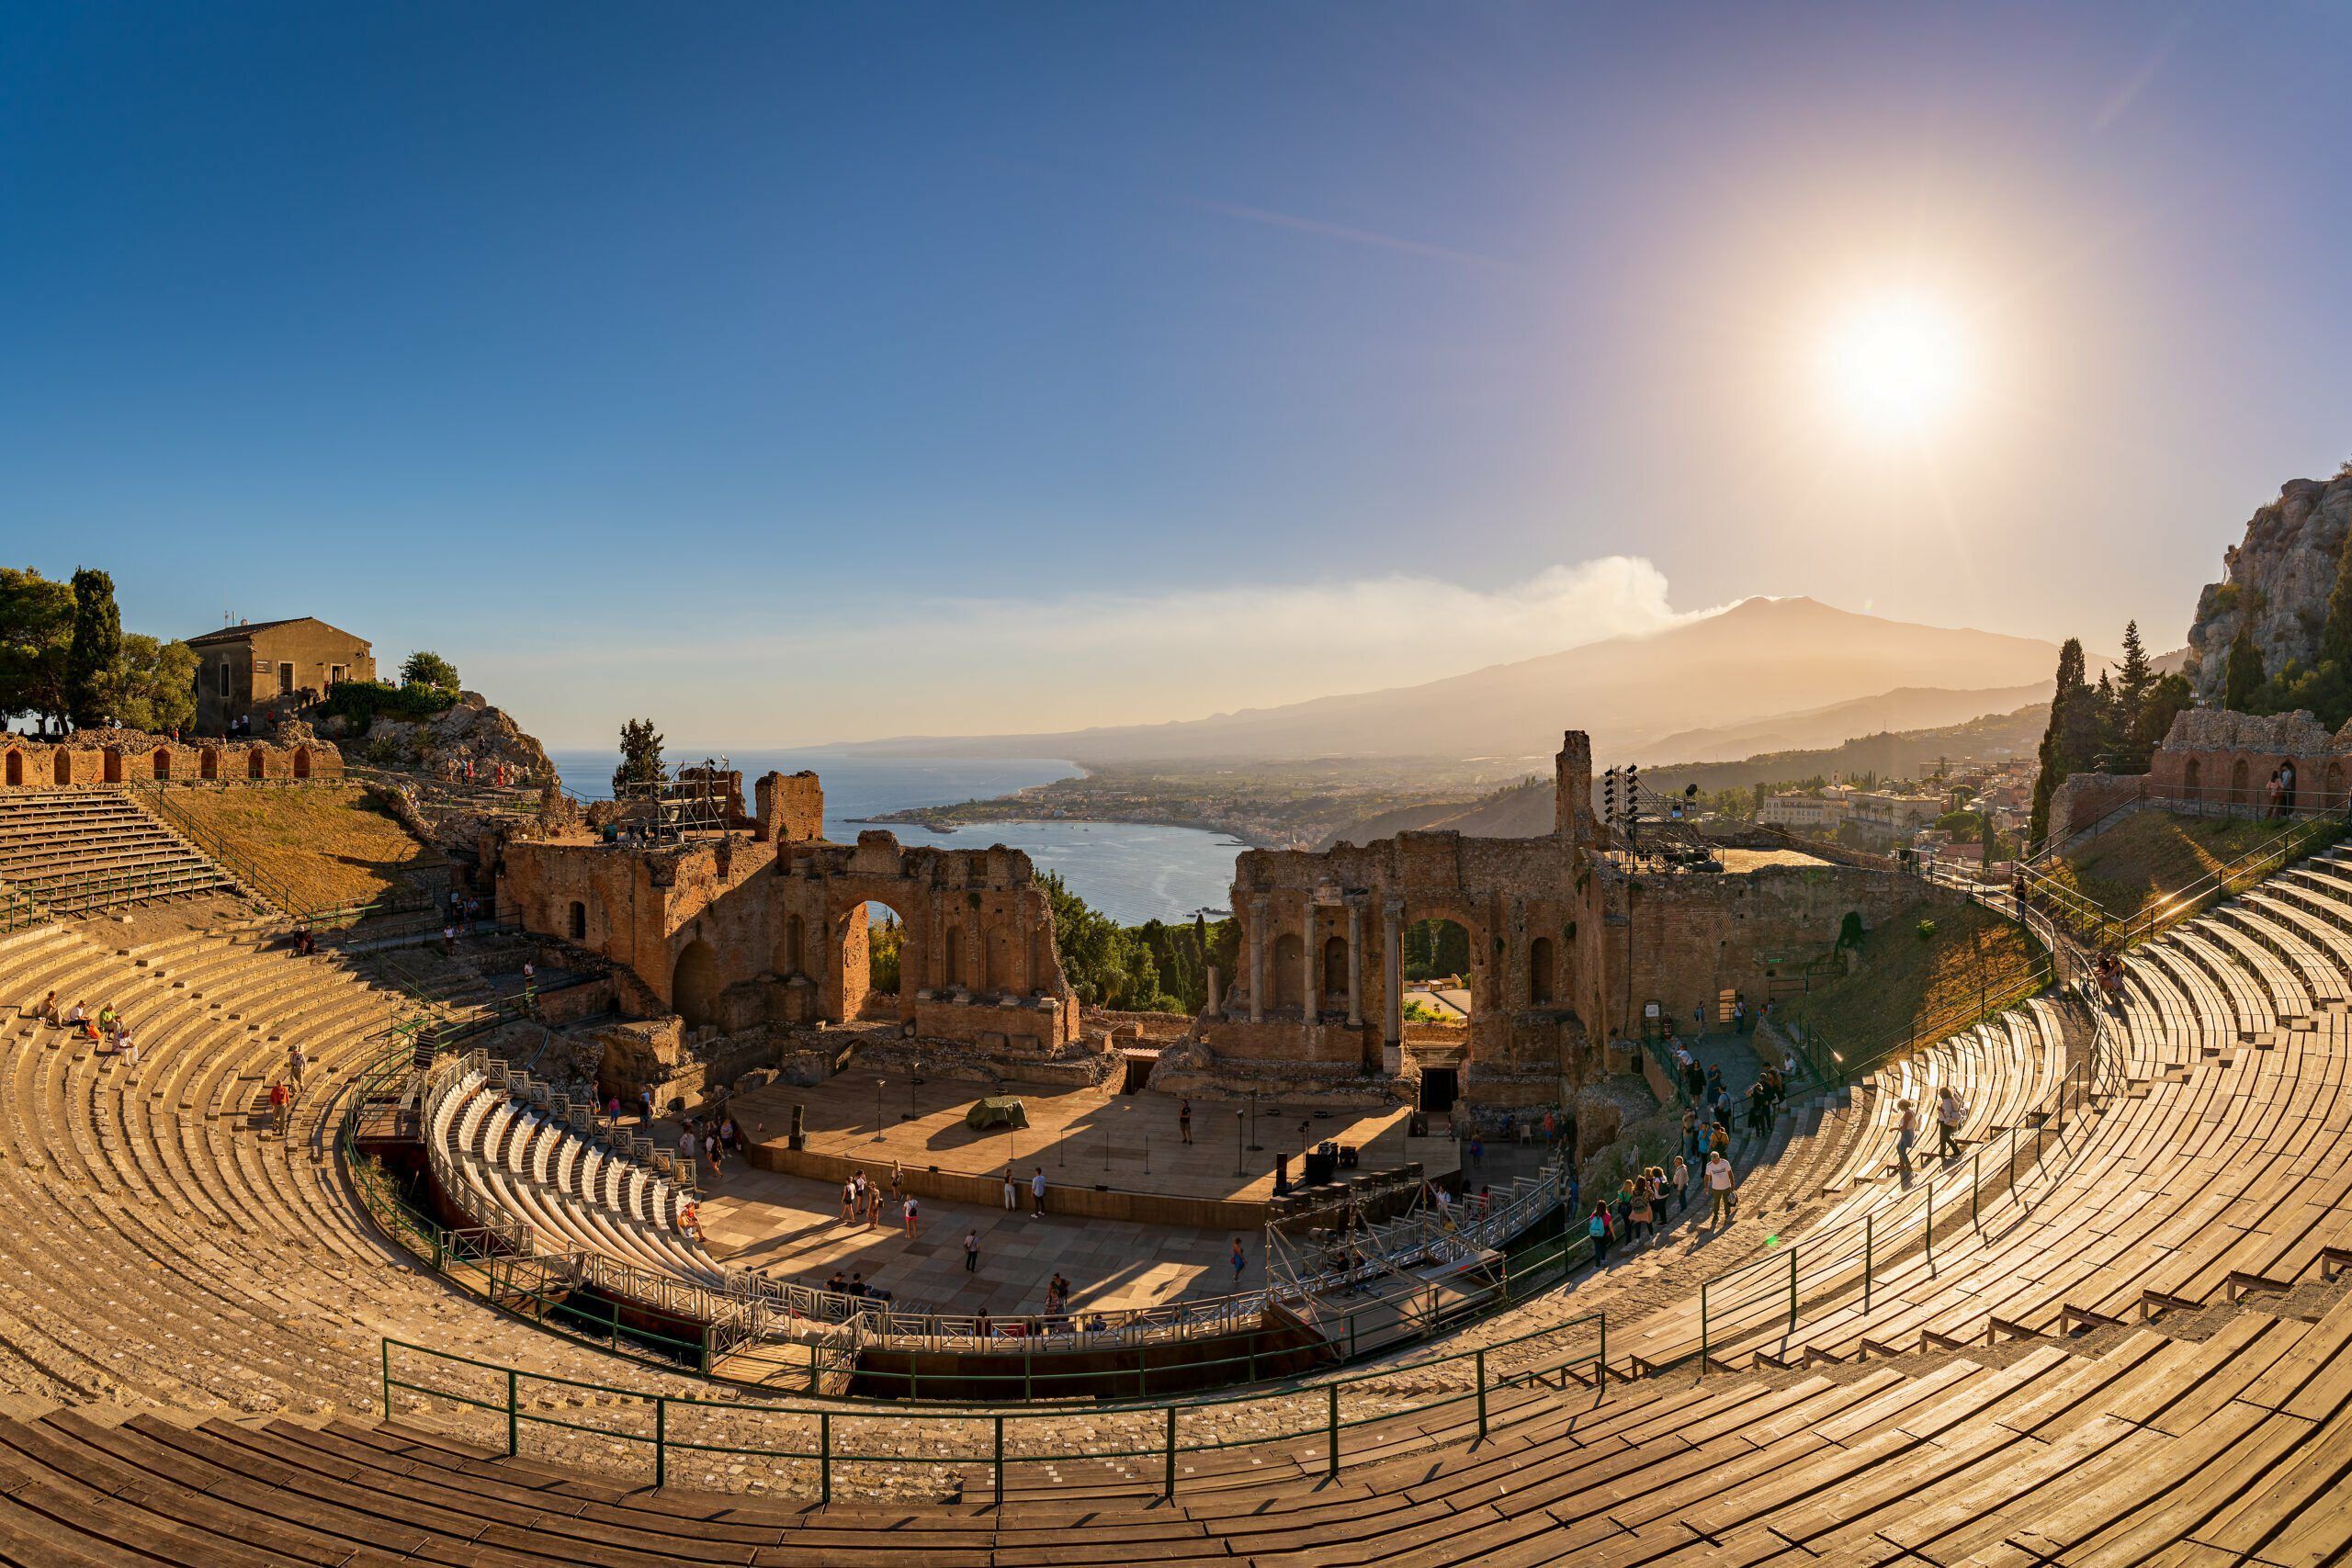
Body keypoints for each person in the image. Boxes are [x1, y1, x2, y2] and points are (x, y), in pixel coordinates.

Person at [1705, 1149, 1736, 1226]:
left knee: (1727, 1201)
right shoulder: (1709, 1165)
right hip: (1716, 1187)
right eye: (1713, 1160)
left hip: (1726, 1186)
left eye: (1716, 1159)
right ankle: (1716, 1215)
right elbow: (1707, 1176)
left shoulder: (1725, 1163)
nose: (1714, 1161)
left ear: (1719, 1158)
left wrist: (1732, 1184)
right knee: (1716, 1202)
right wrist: (1706, 1187)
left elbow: (1730, 1173)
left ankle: (1727, 1213)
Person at [1937, 1087, 1967, 1157]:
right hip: (1949, 1121)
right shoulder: (1952, 1099)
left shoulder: (1946, 1101)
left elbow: (1947, 1113)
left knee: (1944, 1138)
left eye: (1940, 1093)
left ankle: (1955, 1151)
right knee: (1944, 1138)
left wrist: (1940, 1110)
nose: (1940, 1095)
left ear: (1944, 1094)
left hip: (1945, 1122)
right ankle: (1942, 1153)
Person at [1894, 1098, 1918, 1183]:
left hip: (1907, 1133)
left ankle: (1909, 1169)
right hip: (1908, 1132)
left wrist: (1894, 1128)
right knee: (1898, 1147)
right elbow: (1915, 1122)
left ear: (1903, 1106)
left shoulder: (1907, 1114)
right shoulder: (1910, 1112)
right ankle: (1902, 1166)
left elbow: (1904, 1127)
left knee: (1902, 1151)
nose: (1899, 1108)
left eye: (1899, 1107)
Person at [1588, 1203, 1612, 1268]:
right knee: (1603, 1246)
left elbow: (1590, 1223)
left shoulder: (1593, 1214)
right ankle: (1603, 1260)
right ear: (1605, 1207)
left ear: (1597, 1207)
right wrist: (1614, 1235)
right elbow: (1611, 1227)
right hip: (1603, 1235)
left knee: (1597, 1248)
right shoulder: (1608, 1216)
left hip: (1595, 1235)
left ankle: (1597, 1265)